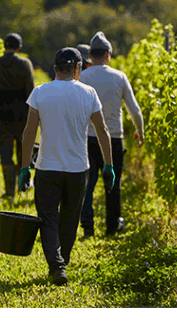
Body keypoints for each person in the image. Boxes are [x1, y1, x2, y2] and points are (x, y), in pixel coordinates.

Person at [18, 47, 114, 285]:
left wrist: (24, 168)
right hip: (77, 168)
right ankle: (62, 262)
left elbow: (29, 131)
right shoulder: (89, 93)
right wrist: (108, 165)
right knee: (70, 219)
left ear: (55, 68)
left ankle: (57, 265)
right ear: (77, 69)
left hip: (47, 168)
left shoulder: (40, 92)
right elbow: (102, 130)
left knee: (48, 219)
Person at [76, 31, 146, 237]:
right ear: (108, 55)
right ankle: (112, 227)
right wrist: (140, 132)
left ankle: (88, 227)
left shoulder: (82, 77)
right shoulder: (119, 77)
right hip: (114, 138)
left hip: (88, 138)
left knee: (88, 183)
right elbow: (134, 109)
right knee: (113, 184)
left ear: (90, 55)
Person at [0, 33, 36, 199]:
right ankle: (21, 186)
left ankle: (9, 190)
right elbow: (31, 91)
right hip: (22, 115)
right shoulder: (25, 64)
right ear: (19, 47)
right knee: (23, 153)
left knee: (5, 155)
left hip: (2, 115)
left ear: (4, 46)